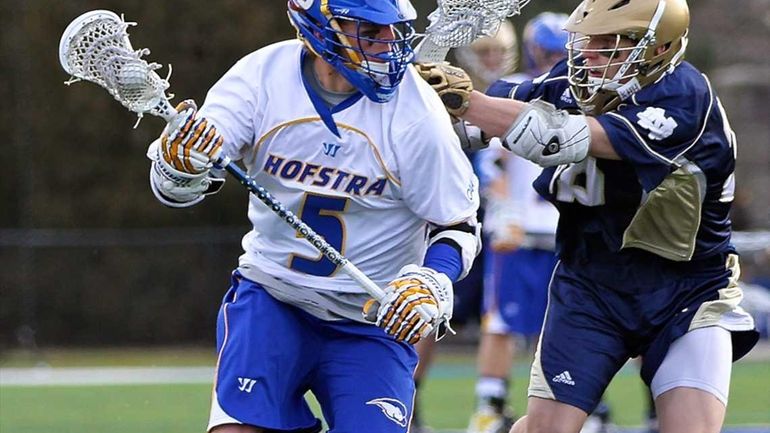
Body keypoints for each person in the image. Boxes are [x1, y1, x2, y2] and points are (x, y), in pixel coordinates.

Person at [416, 1, 760, 433]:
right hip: (591, 285)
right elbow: (470, 126)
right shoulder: (569, 82)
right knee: (547, 429)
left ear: (655, 48)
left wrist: (464, 100)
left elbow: (564, 136)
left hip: (686, 290)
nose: (587, 56)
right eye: (586, 41)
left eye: (606, 45)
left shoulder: (684, 97)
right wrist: (417, 98)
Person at [145, 0, 481, 432]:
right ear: (321, 25)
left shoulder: (418, 115)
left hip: (370, 320)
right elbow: (184, 184)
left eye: (393, 31)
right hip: (274, 298)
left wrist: (432, 278)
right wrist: (180, 165)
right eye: (369, 31)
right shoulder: (260, 77)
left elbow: (458, 225)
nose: (389, 46)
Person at [409, 21, 517, 433]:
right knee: (430, 308)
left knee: (501, 317)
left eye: (496, 52)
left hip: (508, 225)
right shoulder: (446, 92)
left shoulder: (519, 90)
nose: (491, 60)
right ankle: (408, 398)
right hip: (457, 215)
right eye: (484, 52)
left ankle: (492, 405)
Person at [464, 13, 568, 433]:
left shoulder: (592, 97)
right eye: (550, 52)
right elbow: (492, 161)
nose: (556, 60)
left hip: (566, 233)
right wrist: (503, 211)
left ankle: (575, 403)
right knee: (502, 322)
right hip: (520, 231)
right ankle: (489, 406)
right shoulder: (524, 91)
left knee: (567, 324)